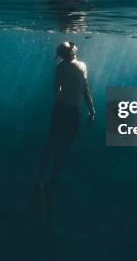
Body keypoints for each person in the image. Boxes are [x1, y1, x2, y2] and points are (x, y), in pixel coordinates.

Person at [34, 41, 95, 214]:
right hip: (69, 111)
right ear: (69, 51)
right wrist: (91, 110)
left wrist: (91, 110)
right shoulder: (76, 66)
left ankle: (41, 179)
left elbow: (60, 91)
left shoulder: (62, 67)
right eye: (72, 46)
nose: (75, 46)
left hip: (62, 109)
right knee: (59, 147)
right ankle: (47, 182)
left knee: (53, 144)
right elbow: (85, 90)